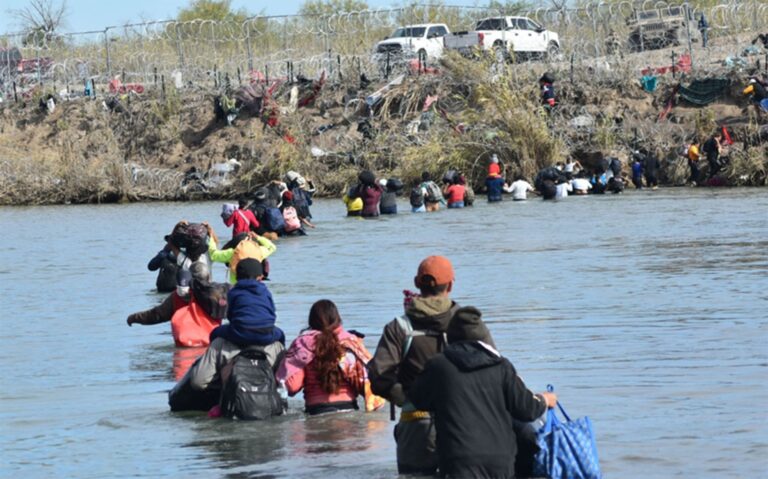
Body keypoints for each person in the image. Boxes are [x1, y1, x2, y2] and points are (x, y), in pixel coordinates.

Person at [368, 256, 495, 475]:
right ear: (452, 285)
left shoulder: (399, 328)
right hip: (466, 428)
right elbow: (494, 369)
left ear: (417, 283)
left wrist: (409, 399)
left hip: (416, 430)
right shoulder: (469, 324)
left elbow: (379, 377)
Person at [408, 307, 558, 479]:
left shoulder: (438, 366)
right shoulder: (501, 366)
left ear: (450, 337)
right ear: (483, 338)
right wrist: (544, 399)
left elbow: (417, 399)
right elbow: (527, 410)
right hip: (500, 461)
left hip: (457, 461)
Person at [168, 258, 285, 412]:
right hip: (267, 337)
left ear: (236, 276)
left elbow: (198, 383)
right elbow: (271, 315)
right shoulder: (265, 292)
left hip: (236, 334)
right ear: (260, 278)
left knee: (215, 335)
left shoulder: (234, 292)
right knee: (281, 337)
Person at [276, 300, 384, 415]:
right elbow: (371, 385)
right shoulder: (350, 342)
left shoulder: (302, 344)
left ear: (311, 321)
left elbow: (291, 386)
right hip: (349, 411)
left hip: (316, 412)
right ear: (337, 319)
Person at [127, 263, 229, 347]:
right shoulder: (217, 293)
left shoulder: (178, 296)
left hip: (185, 345)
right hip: (211, 344)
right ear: (208, 277)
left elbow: (156, 315)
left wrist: (134, 318)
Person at [208, 230, 277, 284]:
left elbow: (213, 255)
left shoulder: (232, 253)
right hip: (255, 288)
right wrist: (258, 237)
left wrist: (211, 237)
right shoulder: (259, 251)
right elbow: (272, 247)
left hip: (237, 288)